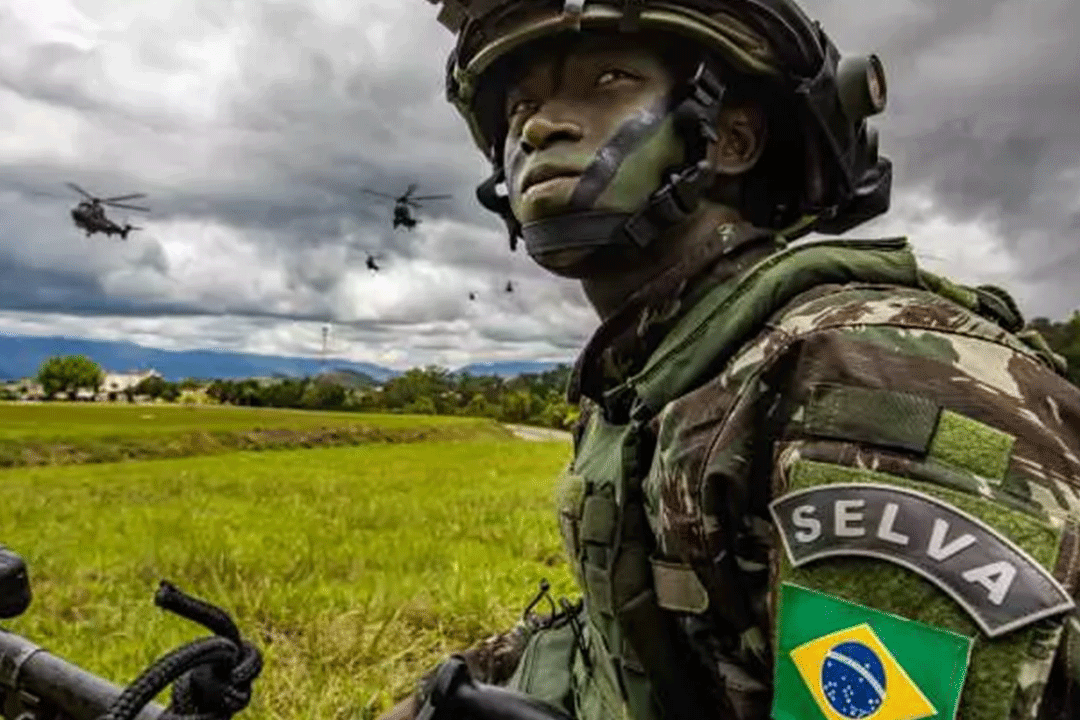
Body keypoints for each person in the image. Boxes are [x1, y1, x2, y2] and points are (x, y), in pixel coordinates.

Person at [380, 1, 1080, 719]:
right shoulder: (655, 371)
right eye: (521, 106)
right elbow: (643, 633)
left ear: (731, 140)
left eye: (609, 80)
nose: (537, 127)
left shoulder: (864, 379)